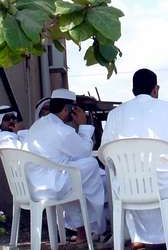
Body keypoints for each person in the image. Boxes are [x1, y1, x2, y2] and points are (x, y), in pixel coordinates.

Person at [101, 69, 168, 249]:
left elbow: (106, 155)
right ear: (155, 89)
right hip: (166, 185)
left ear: (133, 90)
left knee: (126, 182)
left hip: (129, 187)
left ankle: (138, 237)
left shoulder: (115, 115)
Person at [24, 88, 106, 242]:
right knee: (91, 166)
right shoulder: (63, 130)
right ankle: (97, 226)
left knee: (76, 178)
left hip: (35, 183)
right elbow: (84, 151)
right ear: (67, 109)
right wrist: (83, 126)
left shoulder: (38, 125)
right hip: (53, 184)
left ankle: (83, 229)